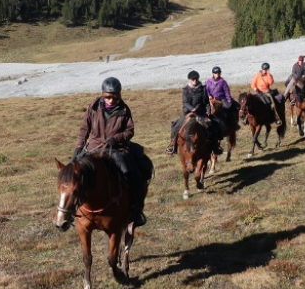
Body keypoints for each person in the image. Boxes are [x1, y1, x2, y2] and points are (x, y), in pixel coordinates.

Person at [74, 77, 153, 227]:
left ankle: (135, 209)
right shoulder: (93, 106)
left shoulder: (124, 109)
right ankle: (70, 209)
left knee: (129, 172)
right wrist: (79, 146)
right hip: (94, 147)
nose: (111, 100)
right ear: (103, 95)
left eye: (114, 97)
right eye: (108, 97)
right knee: (73, 172)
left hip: (116, 149)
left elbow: (129, 131)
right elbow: (85, 127)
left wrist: (115, 139)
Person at [166, 70, 208, 154]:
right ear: (189, 79)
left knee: (211, 126)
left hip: (200, 113)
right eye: (193, 79)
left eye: (196, 79)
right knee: (176, 126)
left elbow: (206, 102)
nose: (195, 81)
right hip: (188, 113)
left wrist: (208, 111)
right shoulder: (186, 90)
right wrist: (192, 109)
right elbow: (185, 102)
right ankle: (173, 145)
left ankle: (214, 145)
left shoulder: (203, 89)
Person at [205, 66, 238, 153]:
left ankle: (233, 124)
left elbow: (227, 92)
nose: (217, 74)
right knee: (205, 110)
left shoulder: (223, 82)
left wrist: (229, 101)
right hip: (211, 99)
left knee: (228, 108)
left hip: (221, 99)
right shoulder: (209, 81)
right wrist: (209, 95)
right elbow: (207, 90)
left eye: (219, 73)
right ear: (213, 73)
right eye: (216, 73)